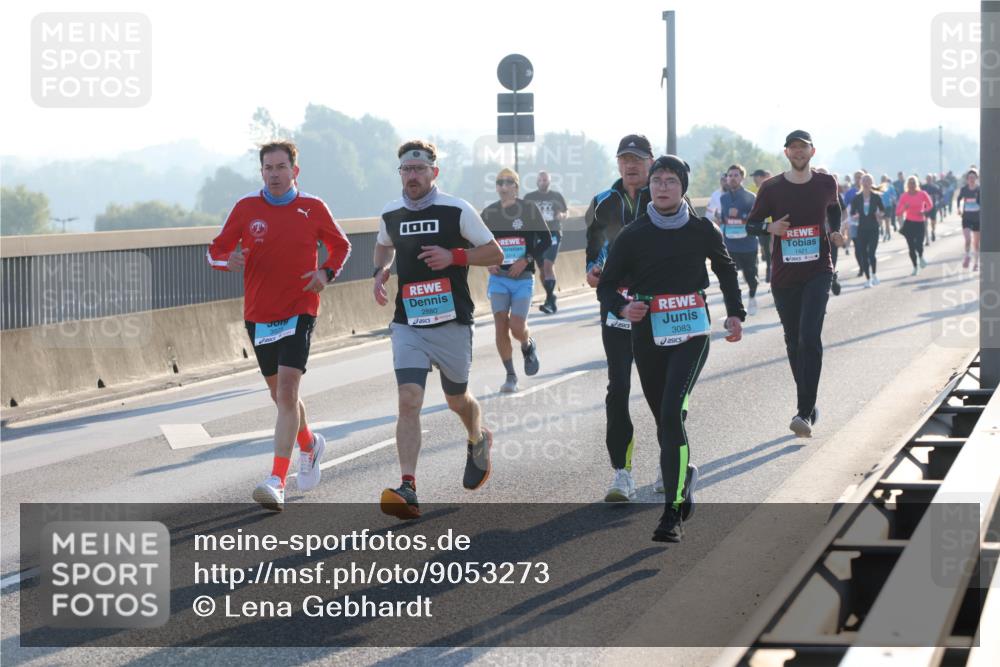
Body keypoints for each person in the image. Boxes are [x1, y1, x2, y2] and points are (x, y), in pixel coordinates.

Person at [598, 155, 744, 542]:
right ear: (651, 185)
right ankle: (685, 475)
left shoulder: (701, 229)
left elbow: (725, 267)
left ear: (683, 187)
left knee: (671, 413)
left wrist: (734, 313)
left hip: (693, 330)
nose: (663, 187)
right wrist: (624, 307)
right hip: (647, 332)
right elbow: (606, 285)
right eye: (658, 180)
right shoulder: (635, 233)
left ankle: (672, 513)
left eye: (671, 181)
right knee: (666, 421)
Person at [207, 140, 352, 511]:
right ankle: (309, 445)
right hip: (259, 313)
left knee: (287, 392)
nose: (274, 174)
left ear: (294, 171)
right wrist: (230, 260)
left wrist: (325, 271)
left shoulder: (312, 208)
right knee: (279, 396)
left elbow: (341, 246)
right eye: (268, 168)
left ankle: (276, 480)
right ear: (262, 173)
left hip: (300, 307)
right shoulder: (246, 208)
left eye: (281, 167)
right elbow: (215, 252)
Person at [373, 140, 504, 520]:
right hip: (408, 324)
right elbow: (384, 246)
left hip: (452, 323)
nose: (413, 176)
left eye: (419, 169)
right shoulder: (391, 212)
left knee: (456, 400)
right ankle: (408, 487)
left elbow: (495, 253)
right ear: (400, 174)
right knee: (409, 399)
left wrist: (455, 256)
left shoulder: (457, 209)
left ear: (434, 172)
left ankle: (478, 437)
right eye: (406, 170)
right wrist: (380, 272)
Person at [747, 130, 844, 438]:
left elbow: (833, 207)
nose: (799, 152)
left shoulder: (826, 183)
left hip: (818, 270)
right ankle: (808, 402)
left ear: (812, 152)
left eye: (804, 148)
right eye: (794, 148)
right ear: (786, 153)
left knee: (808, 337)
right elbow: (751, 225)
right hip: (784, 276)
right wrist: (770, 226)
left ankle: (803, 412)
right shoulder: (771, 188)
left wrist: (835, 231)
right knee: (792, 341)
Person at [584, 134, 653, 502]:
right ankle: (621, 472)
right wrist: (593, 271)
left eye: (637, 159)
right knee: (619, 389)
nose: (630, 165)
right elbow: (594, 248)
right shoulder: (604, 202)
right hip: (615, 307)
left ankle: (669, 462)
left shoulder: (666, 196)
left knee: (661, 391)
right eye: (624, 158)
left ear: (650, 161)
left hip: (658, 309)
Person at [482, 168, 551, 393]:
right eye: (499, 182)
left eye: (508, 182)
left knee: (516, 326)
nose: (503, 186)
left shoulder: (528, 209)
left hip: (522, 278)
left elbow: (546, 240)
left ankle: (527, 344)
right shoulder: (489, 213)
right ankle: (511, 375)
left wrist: (526, 260)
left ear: (516, 186)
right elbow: (475, 241)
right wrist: (487, 262)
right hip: (499, 279)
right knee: (501, 324)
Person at [524, 170, 568, 314]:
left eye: (546, 180)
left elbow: (566, 212)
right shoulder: (529, 197)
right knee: (542, 269)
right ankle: (551, 298)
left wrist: (561, 215)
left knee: (548, 266)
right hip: (536, 236)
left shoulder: (556, 196)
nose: (543, 182)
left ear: (549, 181)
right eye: (541, 180)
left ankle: (549, 300)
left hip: (553, 233)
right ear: (537, 181)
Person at [720, 164, 760, 315]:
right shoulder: (723, 199)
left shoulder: (751, 197)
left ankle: (752, 296)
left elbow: (756, 218)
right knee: (730, 278)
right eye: (730, 176)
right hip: (730, 244)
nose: (732, 178)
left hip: (748, 244)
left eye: (736, 175)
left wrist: (742, 216)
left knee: (750, 277)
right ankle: (734, 310)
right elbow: (724, 219)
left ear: (742, 178)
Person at [849, 174, 886, 287]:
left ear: (871, 183)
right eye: (864, 181)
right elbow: (852, 212)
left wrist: (879, 214)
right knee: (864, 255)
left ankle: (874, 274)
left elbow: (883, 210)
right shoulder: (857, 197)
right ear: (861, 183)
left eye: (868, 181)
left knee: (871, 254)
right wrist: (855, 215)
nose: (866, 183)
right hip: (861, 230)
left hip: (873, 229)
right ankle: (868, 279)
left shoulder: (876, 197)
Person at [895, 175, 933, 275]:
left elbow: (930, 205)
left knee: (919, 243)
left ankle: (920, 257)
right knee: (911, 247)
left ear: (916, 184)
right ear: (907, 185)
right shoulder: (904, 196)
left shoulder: (922, 194)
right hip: (909, 224)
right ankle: (915, 267)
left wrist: (924, 211)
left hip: (920, 222)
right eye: (910, 183)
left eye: (913, 183)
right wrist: (904, 207)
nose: (911, 185)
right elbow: (898, 212)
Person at [751, 169, 774, 282]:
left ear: (762, 177)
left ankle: (770, 270)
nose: (754, 179)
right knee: (764, 247)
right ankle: (769, 266)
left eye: (756, 177)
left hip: (772, 223)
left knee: (771, 247)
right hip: (760, 224)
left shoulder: (772, 187)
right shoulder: (752, 189)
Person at [958, 168, 981, 271]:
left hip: (977, 218)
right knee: (967, 239)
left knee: (976, 243)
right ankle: (967, 256)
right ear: (967, 179)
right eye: (970, 178)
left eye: (973, 177)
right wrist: (958, 208)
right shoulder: (964, 189)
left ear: (976, 178)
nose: (971, 179)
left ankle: (976, 263)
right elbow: (959, 199)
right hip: (966, 218)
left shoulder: (979, 189)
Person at [923, 174, 942, 244]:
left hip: (932, 207)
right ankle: (927, 238)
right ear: (926, 179)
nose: (928, 180)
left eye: (929, 178)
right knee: (925, 223)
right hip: (924, 207)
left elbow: (940, 195)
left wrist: (938, 200)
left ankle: (933, 231)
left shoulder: (935, 187)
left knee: (933, 222)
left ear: (931, 179)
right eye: (927, 178)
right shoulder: (923, 187)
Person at [879, 174, 897, 240]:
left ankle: (888, 234)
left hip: (888, 205)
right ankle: (883, 230)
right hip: (881, 206)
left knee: (887, 220)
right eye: (882, 179)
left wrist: (893, 199)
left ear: (886, 179)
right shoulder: (879, 187)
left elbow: (894, 195)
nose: (883, 180)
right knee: (881, 221)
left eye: (884, 179)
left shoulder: (890, 187)